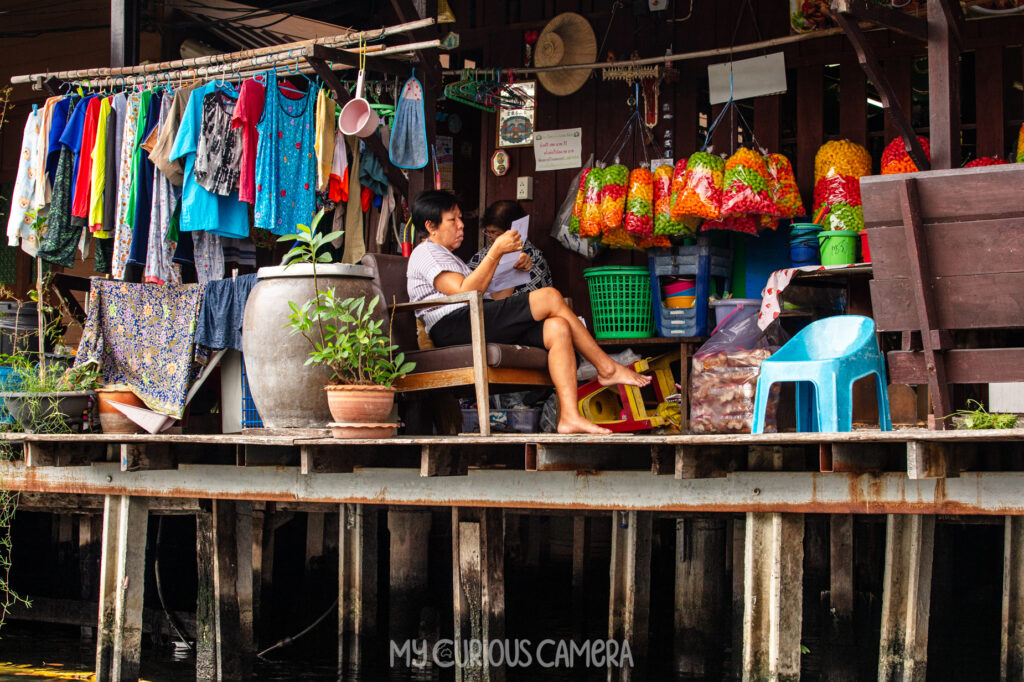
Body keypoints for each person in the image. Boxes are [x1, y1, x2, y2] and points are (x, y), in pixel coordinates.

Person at [406, 190, 650, 435]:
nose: (461, 226)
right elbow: (464, 291)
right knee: (551, 297)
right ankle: (606, 368)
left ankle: (569, 417)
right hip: (454, 326)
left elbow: (495, 297)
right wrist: (496, 252)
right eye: (453, 220)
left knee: (558, 329)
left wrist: (515, 271)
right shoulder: (426, 253)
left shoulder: (449, 257)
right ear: (431, 226)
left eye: (460, 219)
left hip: (473, 319)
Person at [467, 200, 552, 300]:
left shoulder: (534, 258)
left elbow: (536, 301)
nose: (490, 238)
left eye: (496, 233)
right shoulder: (481, 256)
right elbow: (467, 291)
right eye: (488, 232)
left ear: (513, 231)